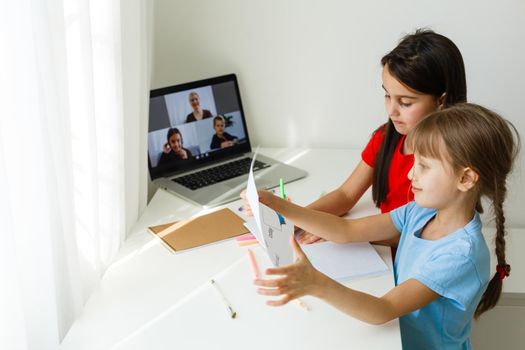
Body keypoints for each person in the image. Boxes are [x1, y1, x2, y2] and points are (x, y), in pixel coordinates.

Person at [254, 103, 520, 349]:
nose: (409, 174)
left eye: (424, 166)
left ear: (465, 178)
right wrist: (283, 207)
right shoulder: (420, 211)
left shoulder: (460, 256)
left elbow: (383, 309)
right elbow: (348, 231)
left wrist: (317, 284)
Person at [241, 29, 467, 247]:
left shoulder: (446, 163)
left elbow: (420, 233)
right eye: (387, 95)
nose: (391, 110)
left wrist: (337, 231)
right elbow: (346, 194)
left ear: (441, 101)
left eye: (405, 102)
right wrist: (298, 218)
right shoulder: (386, 138)